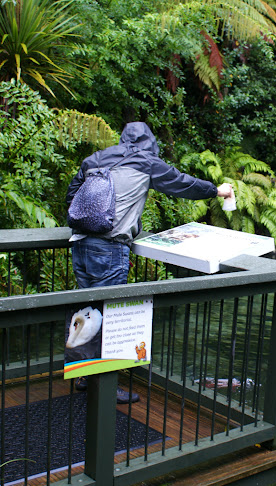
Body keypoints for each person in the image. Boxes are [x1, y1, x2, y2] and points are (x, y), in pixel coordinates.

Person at [66, 121, 234, 403]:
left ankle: (85, 377)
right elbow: (183, 184)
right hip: (109, 248)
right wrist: (216, 190)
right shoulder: (146, 161)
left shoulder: (93, 160)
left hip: (80, 243)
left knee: (88, 313)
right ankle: (105, 389)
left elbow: (72, 198)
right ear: (150, 143)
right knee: (112, 316)